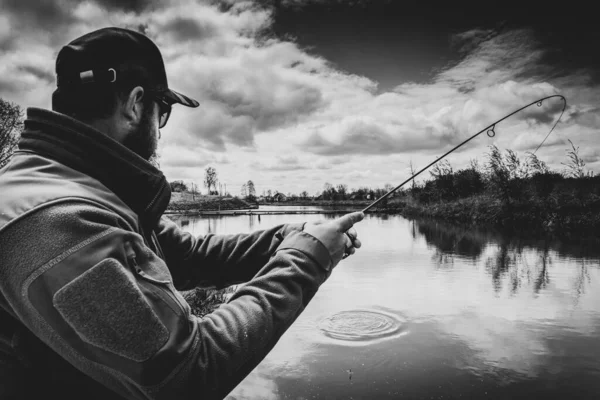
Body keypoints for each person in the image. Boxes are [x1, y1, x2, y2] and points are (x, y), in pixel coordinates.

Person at [0, 27, 363, 399]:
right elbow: (189, 373)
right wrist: (307, 259)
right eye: (164, 111)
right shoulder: (58, 222)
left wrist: (291, 235)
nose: (160, 128)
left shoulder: (85, 188)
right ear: (136, 104)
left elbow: (188, 257)